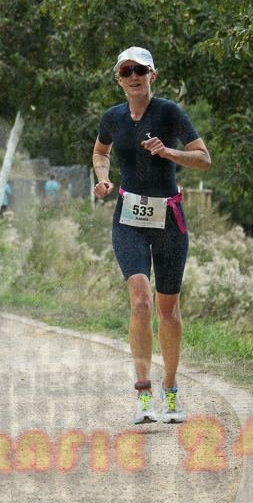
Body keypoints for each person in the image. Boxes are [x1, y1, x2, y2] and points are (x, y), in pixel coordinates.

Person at [92, 46, 211, 425]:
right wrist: (103, 178)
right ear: (118, 78)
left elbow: (204, 158)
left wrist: (168, 153)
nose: (133, 77)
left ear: (152, 75)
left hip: (169, 220)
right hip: (128, 218)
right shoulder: (112, 118)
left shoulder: (169, 112)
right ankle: (143, 395)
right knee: (140, 302)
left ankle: (171, 390)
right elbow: (99, 153)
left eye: (140, 70)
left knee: (168, 310)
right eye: (126, 71)